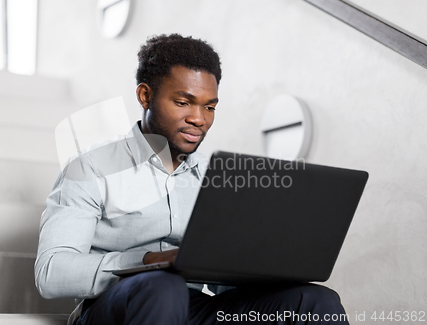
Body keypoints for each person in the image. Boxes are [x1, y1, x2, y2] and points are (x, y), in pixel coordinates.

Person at [35, 34, 350, 325]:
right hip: (112, 307)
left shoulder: (217, 177)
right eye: (183, 102)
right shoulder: (89, 168)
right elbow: (52, 272)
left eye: (209, 107)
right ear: (145, 96)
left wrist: (267, 267)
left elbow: (220, 278)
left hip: (191, 308)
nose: (199, 119)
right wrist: (148, 261)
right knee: (163, 286)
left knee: (314, 300)